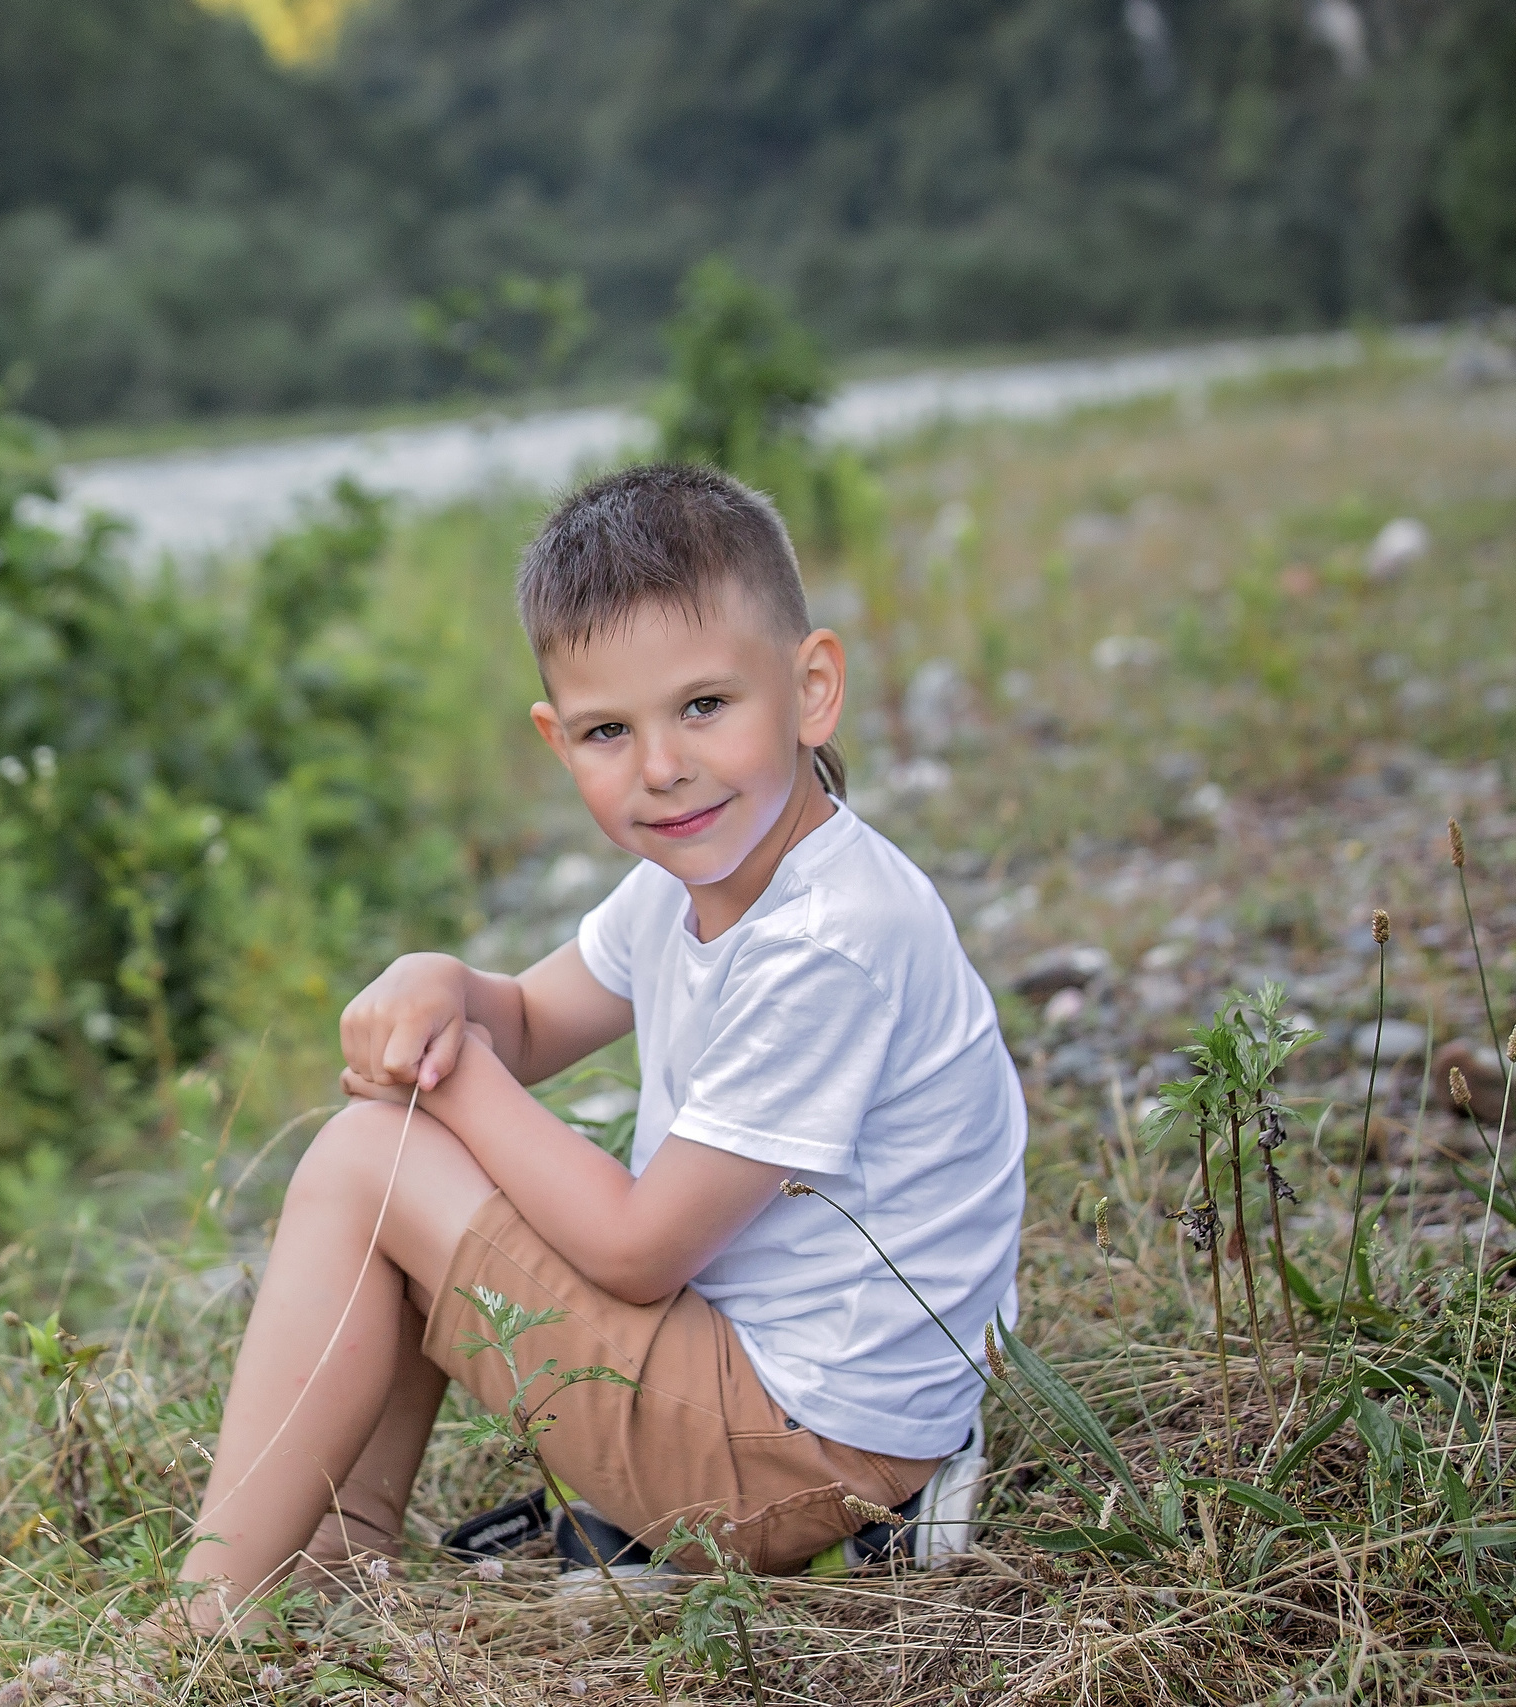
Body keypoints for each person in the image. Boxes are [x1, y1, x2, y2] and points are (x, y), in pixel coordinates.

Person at [168, 462, 1027, 1629]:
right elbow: (523, 1020)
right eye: (607, 731)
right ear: (554, 737)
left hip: (804, 1462)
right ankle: (333, 1543)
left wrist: (446, 1069)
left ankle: (204, 1622)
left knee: (372, 1159)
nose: (661, 766)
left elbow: (635, 1253)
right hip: (767, 1401)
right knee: (403, 1148)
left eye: (704, 706)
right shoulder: (689, 880)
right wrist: (440, 987)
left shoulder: (830, 939)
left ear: (811, 687)